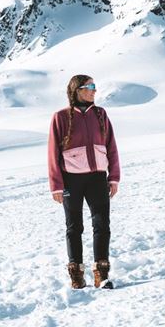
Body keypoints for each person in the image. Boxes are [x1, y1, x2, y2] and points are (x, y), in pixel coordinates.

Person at [48, 74, 121, 289]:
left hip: (97, 177)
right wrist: (56, 185)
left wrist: (114, 177)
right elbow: (53, 152)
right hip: (71, 179)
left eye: (94, 86)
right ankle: (76, 274)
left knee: (102, 224)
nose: (94, 90)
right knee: (74, 227)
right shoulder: (61, 117)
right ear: (77, 90)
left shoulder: (100, 114)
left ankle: (102, 273)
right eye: (89, 87)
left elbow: (111, 146)